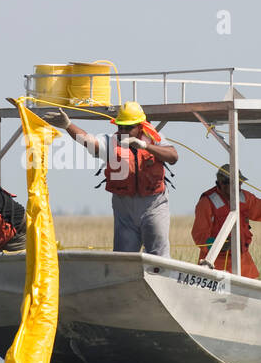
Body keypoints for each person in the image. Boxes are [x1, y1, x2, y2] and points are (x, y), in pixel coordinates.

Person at [40, 102, 178, 257]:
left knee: (158, 256)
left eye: (129, 127)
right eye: (120, 127)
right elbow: (87, 140)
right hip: (124, 210)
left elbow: (173, 156)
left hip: (154, 206)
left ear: (140, 126)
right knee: (123, 258)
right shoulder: (111, 143)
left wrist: (145, 146)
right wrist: (67, 125)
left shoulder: (155, 140)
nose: (123, 131)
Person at [191, 164, 261, 279]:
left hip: (243, 263)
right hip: (215, 263)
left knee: (250, 294)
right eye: (236, 183)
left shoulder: (244, 197)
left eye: (240, 183)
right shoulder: (207, 202)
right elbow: (199, 234)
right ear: (222, 183)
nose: (239, 186)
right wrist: (216, 244)